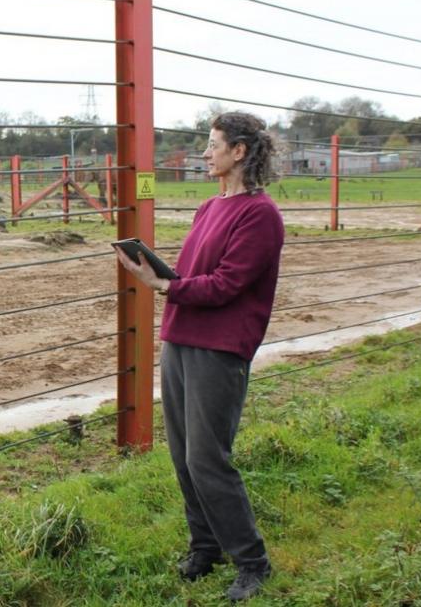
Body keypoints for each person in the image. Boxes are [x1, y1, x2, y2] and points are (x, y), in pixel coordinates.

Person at [114, 111, 284, 602]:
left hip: (221, 345)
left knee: (208, 458)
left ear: (240, 152)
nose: (205, 153)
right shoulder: (209, 208)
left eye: (214, 145)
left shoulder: (261, 214)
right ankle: (205, 547)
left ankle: (252, 562)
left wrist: (161, 284)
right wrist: (167, 277)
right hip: (182, 337)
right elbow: (194, 275)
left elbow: (228, 283)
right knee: (183, 455)